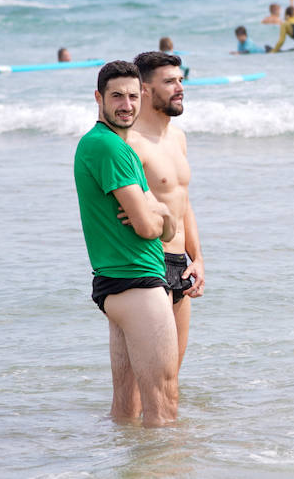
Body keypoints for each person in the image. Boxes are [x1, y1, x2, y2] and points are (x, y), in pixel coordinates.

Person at [73, 60, 179, 426]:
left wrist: (158, 215)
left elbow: (159, 226)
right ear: (98, 97)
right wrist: (161, 213)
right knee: (163, 403)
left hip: (117, 282)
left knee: (126, 408)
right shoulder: (110, 148)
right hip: (138, 282)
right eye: (117, 96)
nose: (127, 105)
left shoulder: (106, 145)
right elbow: (152, 229)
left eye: (134, 96)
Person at [127, 52, 206, 376]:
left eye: (181, 80)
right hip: (147, 262)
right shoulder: (130, 142)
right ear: (145, 89)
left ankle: (161, 430)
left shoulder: (178, 138)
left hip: (179, 264)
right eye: (170, 81)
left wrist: (197, 259)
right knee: (145, 378)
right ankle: (127, 427)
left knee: (172, 373)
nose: (180, 87)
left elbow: (182, 201)